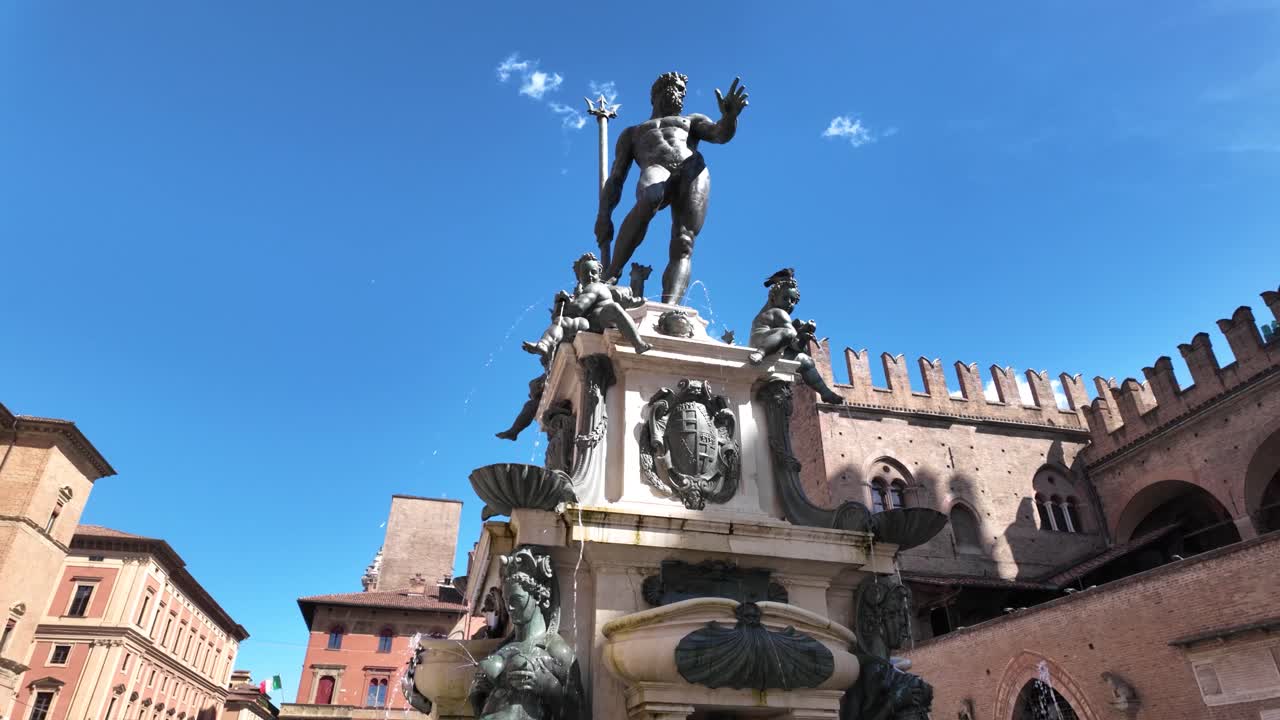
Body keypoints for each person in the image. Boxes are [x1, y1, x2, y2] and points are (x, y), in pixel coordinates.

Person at [595, 72, 749, 304]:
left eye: (681, 90)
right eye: (674, 87)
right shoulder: (633, 133)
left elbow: (719, 134)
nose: (679, 93)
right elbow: (616, 179)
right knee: (649, 198)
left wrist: (729, 118)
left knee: (684, 241)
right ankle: (612, 273)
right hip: (656, 167)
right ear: (656, 93)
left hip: (692, 169)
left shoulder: (691, 120)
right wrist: (604, 215)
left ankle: (671, 307)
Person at [522, 252, 651, 360]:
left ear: (599, 273)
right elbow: (575, 311)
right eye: (585, 273)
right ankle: (544, 344)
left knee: (613, 308)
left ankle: (638, 343)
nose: (589, 275)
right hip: (590, 323)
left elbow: (578, 308)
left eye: (593, 272)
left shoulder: (596, 286)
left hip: (605, 318)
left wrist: (567, 302)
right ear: (579, 277)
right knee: (562, 321)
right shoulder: (583, 291)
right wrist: (561, 306)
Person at [747, 268, 846, 405]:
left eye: (793, 301)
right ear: (774, 298)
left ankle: (825, 392)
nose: (790, 303)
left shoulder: (780, 314)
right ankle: (760, 353)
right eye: (786, 298)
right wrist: (800, 332)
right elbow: (790, 335)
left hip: (774, 347)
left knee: (805, 361)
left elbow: (797, 347)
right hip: (761, 343)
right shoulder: (776, 312)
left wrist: (804, 336)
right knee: (789, 333)